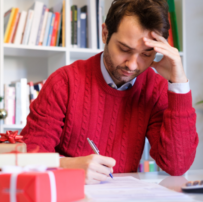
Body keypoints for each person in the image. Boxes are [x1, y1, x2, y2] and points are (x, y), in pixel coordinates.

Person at [20, 0, 198, 184]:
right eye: (124, 49)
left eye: (146, 54)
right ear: (105, 34)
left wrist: (178, 85)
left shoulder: (155, 88)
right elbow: (29, 154)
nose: (132, 64)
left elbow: (177, 165)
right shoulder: (64, 82)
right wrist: (68, 166)